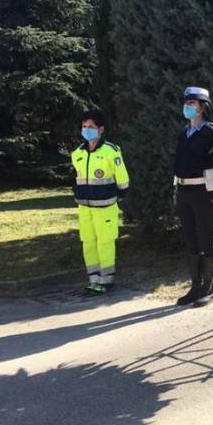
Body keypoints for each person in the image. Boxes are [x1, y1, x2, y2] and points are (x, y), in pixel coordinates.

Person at [174, 86, 213, 307]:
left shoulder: (212, 132)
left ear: (203, 108)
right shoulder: (183, 133)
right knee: (190, 240)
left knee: (206, 238)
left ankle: (209, 288)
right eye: (186, 103)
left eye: (192, 104)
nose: (188, 107)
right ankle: (196, 287)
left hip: (205, 192)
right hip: (184, 192)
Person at [71, 109, 130, 294]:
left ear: (101, 129)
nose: (86, 130)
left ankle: (106, 280)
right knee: (88, 242)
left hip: (105, 207)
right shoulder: (77, 154)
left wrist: (120, 195)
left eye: (91, 127)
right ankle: (93, 279)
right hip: (85, 207)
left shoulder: (111, 151)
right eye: (84, 127)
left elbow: (122, 178)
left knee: (105, 242)